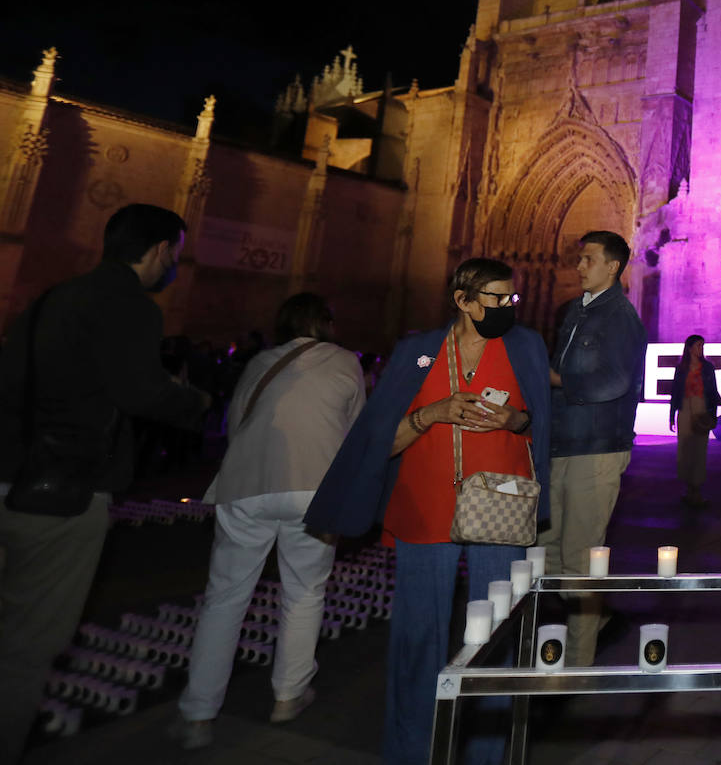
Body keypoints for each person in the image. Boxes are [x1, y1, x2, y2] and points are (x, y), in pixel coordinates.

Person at [305, 258, 551, 765]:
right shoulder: (417, 351)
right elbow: (382, 438)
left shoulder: (525, 346)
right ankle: (411, 750)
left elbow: (541, 427)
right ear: (462, 300)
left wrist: (514, 418)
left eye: (511, 299)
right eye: (496, 299)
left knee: (495, 638)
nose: (507, 307)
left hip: (501, 511)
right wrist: (431, 414)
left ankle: (486, 754)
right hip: (423, 509)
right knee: (418, 637)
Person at [0, 204, 209, 765]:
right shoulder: (129, 307)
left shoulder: (50, 299)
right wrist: (199, 403)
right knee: (26, 645)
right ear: (162, 250)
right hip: (62, 492)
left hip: (7, 475)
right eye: (177, 255)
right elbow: (141, 392)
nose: (175, 266)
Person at [171, 293, 365, 749]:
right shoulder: (344, 361)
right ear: (326, 323)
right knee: (303, 591)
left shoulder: (260, 362)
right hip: (315, 488)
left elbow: (237, 421)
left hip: (248, 484)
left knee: (225, 599)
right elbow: (356, 428)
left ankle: (199, 713)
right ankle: (288, 694)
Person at [539, 230, 646, 668]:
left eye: (588, 259)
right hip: (565, 445)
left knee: (580, 559)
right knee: (547, 550)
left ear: (612, 266)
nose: (579, 266)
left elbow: (614, 380)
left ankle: (578, 665)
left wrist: (558, 381)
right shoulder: (577, 313)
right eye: (579, 259)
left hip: (597, 447)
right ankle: (584, 628)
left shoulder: (619, 316)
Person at [668, 335, 721, 508]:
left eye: (702, 345)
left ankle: (696, 490)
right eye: (698, 345)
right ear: (690, 347)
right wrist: (671, 414)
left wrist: (713, 414)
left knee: (699, 449)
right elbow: (675, 392)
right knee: (684, 449)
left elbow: (712, 391)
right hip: (684, 408)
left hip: (701, 407)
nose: (701, 348)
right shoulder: (681, 368)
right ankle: (688, 488)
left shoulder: (707, 367)